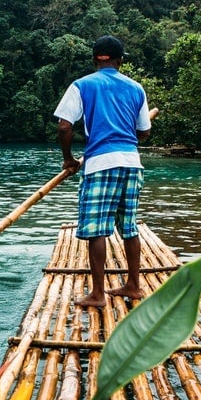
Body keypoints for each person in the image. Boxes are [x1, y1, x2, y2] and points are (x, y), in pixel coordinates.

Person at [54, 35, 158, 308]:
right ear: (120, 61)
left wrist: (68, 159)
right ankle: (133, 285)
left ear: (94, 59)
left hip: (100, 163)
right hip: (132, 163)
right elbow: (144, 132)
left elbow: (65, 127)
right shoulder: (136, 88)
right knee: (129, 227)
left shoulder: (82, 85)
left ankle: (98, 294)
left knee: (97, 230)